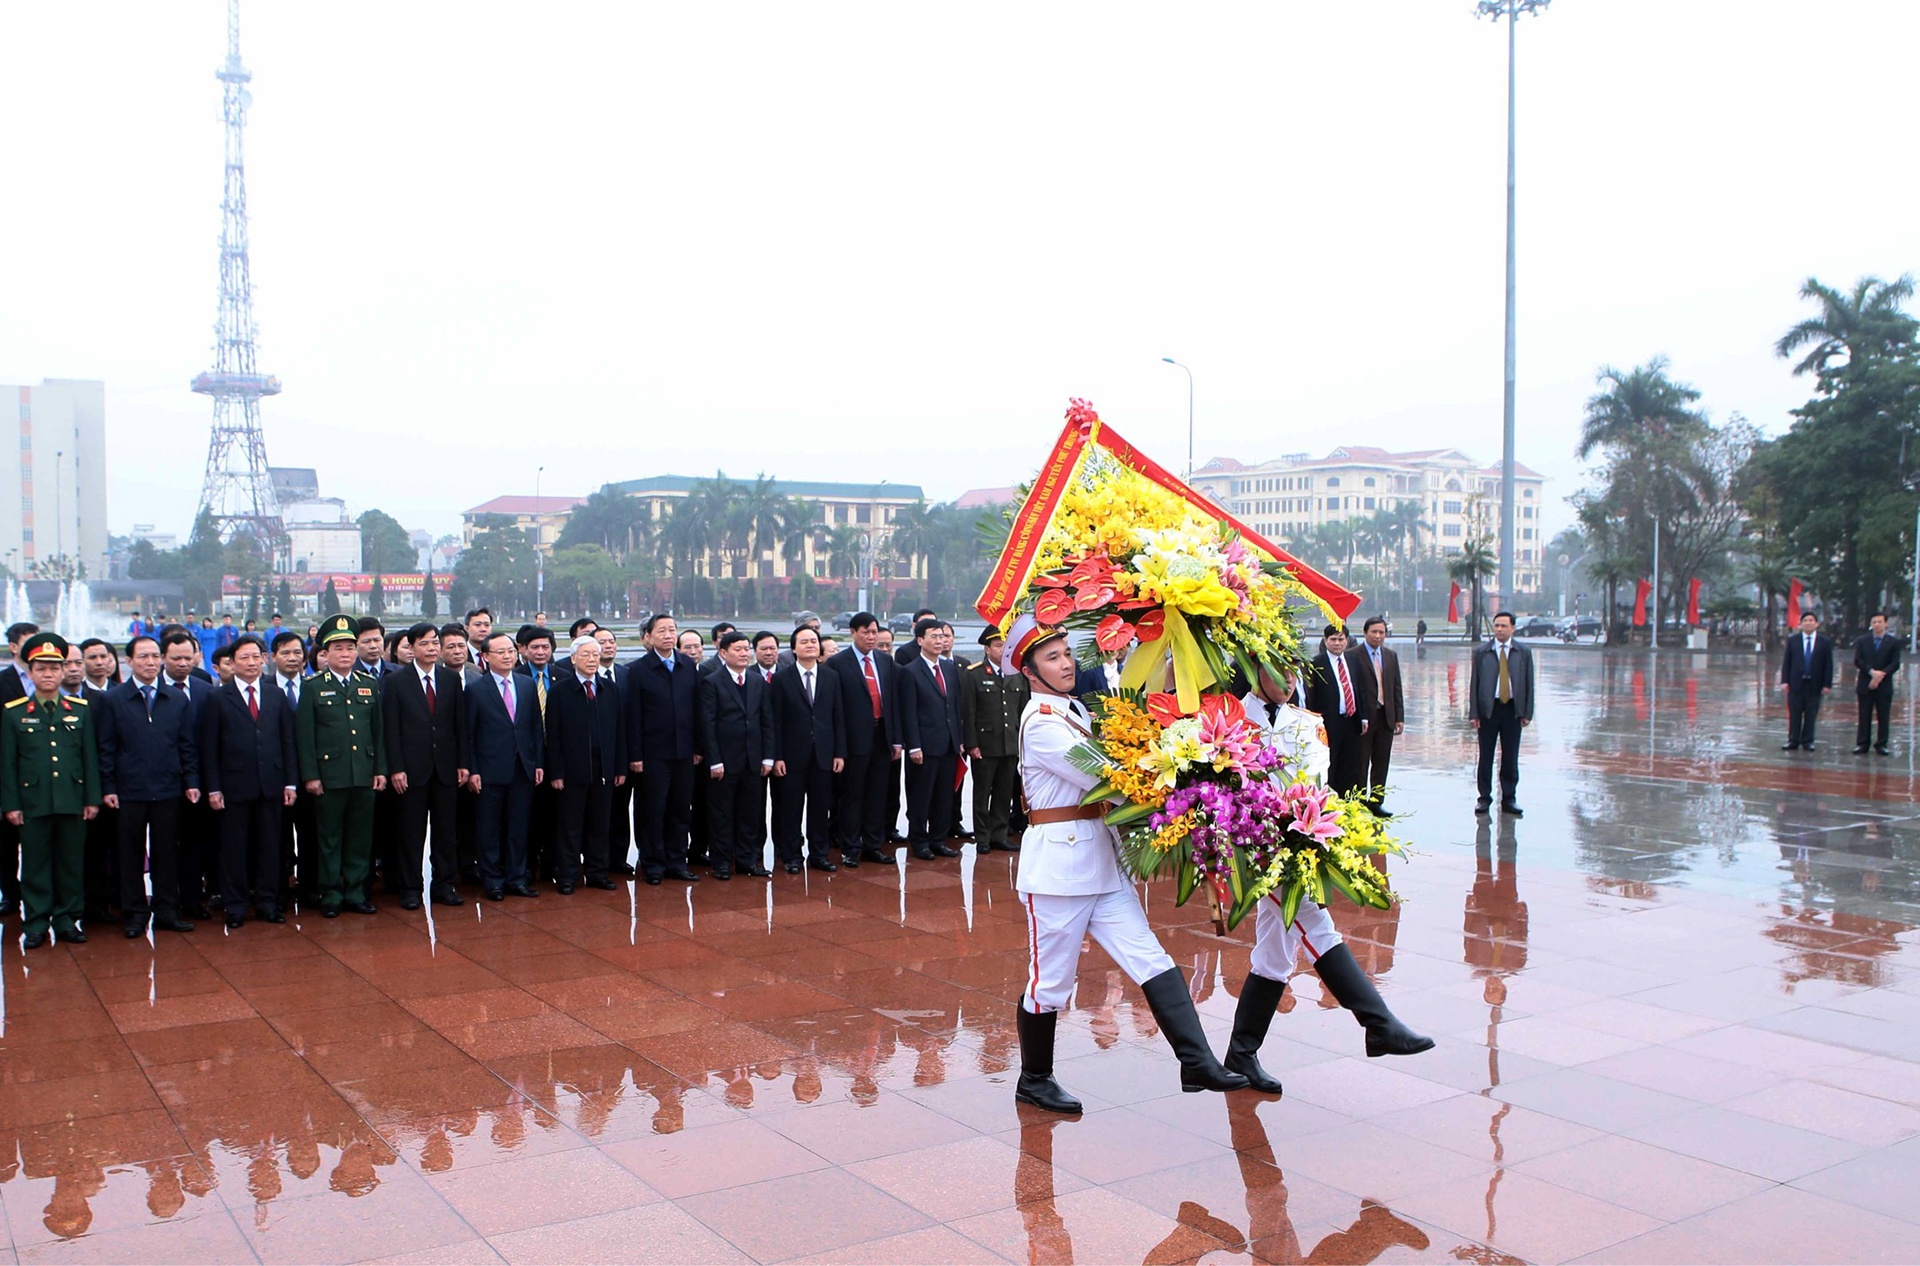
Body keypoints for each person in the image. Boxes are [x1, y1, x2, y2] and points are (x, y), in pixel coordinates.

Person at [1003, 615, 1246, 1113]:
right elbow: (1109, 778)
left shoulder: (1071, 710)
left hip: (1102, 862)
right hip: (1059, 872)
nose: (1067, 664)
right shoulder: (1042, 722)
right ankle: (1035, 1079)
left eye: (1067, 654)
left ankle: (1197, 1061)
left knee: (1150, 958)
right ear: (1029, 672)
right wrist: (1182, 783)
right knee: (1051, 983)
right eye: (1052, 658)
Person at [1224, 664, 1434, 1093]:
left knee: (1274, 955)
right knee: (1315, 927)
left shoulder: (1307, 723)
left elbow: (1316, 784)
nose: (1288, 681)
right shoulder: (1230, 720)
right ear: (1255, 671)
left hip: (1298, 840)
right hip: (1257, 846)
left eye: (1293, 672)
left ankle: (1242, 1053)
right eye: (1277, 671)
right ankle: (1378, 1023)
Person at [1, 633, 102, 947]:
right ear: (30, 673)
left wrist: (92, 799)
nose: (48, 674)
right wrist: (11, 804)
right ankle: (36, 922)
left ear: (63, 672)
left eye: (54, 668)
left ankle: (67, 920)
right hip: (33, 801)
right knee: (34, 865)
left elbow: (89, 758)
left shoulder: (79, 709)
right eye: (41, 668)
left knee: (71, 864)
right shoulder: (14, 712)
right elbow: (8, 763)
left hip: (72, 799)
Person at [97, 635, 200, 938]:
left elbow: (186, 745)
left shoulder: (176, 699)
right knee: (129, 855)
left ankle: (167, 910)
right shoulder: (113, 700)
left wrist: (191, 781)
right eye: (143, 657)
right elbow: (106, 748)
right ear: (128, 661)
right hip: (128, 791)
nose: (151, 662)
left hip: (168, 788)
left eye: (156, 656)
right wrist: (108, 786)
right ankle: (134, 913)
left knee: (167, 852)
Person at [196, 635, 298, 929]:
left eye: (256, 657)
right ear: (232, 662)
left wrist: (290, 783)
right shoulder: (218, 698)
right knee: (234, 849)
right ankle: (236, 906)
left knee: (270, 847)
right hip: (234, 787)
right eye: (244, 658)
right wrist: (214, 787)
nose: (252, 663)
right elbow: (210, 747)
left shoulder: (275, 695)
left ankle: (267, 903)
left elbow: (287, 741)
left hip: (271, 784)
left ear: (264, 659)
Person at [296, 614, 388, 917]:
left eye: (350, 647)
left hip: (363, 773)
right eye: (338, 648)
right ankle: (332, 893)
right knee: (330, 838)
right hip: (329, 776)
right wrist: (311, 775)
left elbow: (378, 732)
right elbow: (305, 736)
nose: (345, 653)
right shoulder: (313, 687)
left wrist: (380, 770)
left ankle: (356, 892)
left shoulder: (368, 684)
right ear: (326, 653)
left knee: (360, 838)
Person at [383, 622, 467, 909]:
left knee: (446, 831)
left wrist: (463, 763)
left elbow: (459, 725)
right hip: (411, 770)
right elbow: (391, 729)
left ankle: (444, 885)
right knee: (411, 832)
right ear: (411, 648)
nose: (431, 648)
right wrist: (396, 768)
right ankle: (410, 887)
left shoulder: (450, 679)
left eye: (435, 643)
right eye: (424, 643)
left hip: (445, 768)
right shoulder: (396, 682)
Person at [466, 631, 543, 900]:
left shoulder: (526, 684)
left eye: (511, 651)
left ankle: (516, 878)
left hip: (523, 767)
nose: (508, 656)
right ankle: (493, 881)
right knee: (489, 829)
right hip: (489, 770)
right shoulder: (476, 689)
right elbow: (469, 735)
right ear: (486, 657)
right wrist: (473, 769)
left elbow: (535, 727)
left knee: (518, 827)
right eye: (501, 652)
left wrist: (537, 762)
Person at [624, 613, 701, 885]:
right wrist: (635, 755)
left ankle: (677, 862)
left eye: (672, 630)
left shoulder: (687, 665)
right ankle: (653, 864)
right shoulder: (638, 670)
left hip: (684, 751)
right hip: (652, 753)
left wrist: (698, 747)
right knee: (653, 811)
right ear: (648, 636)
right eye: (662, 631)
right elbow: (633, 716)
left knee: (680, 810)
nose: (668, 635)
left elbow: (697, 709)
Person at [544, 634, 624, 893]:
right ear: (573, 658)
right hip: (572, 769)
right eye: (586, 655)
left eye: (595, 655)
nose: (592, 660)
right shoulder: (560, 691)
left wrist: (619, 767)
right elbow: (553, 735)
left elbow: (619, 731)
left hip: (604, 767)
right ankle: (568, 875)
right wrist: (556, 772)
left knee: (600, 824)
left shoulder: (610, 689)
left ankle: (597, 873)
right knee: (570, 825)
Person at [697, 631, 777, 880]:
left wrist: (768, 757)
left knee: (750, 813)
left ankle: (747, 861)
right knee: (721, 814)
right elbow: (708, 725)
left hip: (753, 760)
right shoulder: (712, 682)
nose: (744, 654)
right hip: (724, 761)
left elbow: (766, 720)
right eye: (738, 649)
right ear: (723, 653)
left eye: (746, 649)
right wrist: (715, 760)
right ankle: (721, 863)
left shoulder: (756, 680)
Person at [826, 613, 901, 868]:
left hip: (882, 737)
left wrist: (896, 740)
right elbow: (835, 708)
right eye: (866, 632)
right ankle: (850, 847)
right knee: (852, 796)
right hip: (853, 740)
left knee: (877, 794)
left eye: (874, 632)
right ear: (853, 632)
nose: (871, 637)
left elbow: (892, 701)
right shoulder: (838, 663)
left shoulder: (885, 660)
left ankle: (873, 845)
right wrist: (839, 747)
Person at [770, 625, 844, 873]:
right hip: (792, 756)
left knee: (820, 807)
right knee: (791, 808)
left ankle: (819, 854)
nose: (810, 645)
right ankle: (792, 856)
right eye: (804, 642)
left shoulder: (831, 677)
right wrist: (777, 756)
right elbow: (776, 721)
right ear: (793, 649)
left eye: (814, 641)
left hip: (823, 754)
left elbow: (838, 716)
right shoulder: (782, 678)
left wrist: (839, 752)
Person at [898, 617, 963, 861]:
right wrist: (913, 745)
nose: (939, 641)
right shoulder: (910, 671)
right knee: (921, 796)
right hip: (924, 746)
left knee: (944, 796)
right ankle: (919, 841)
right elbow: (908, 712)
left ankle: (938, 839)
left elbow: (954, 707)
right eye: (933, 636)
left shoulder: (949, 668)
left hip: (948, 744)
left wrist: (959, 739)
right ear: (920, 640)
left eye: (942, 636)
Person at [961, 625, 1026, 854]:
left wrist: (1021, 742)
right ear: (987, 649)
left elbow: (1022, 711)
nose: (1003, 650)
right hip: (985, 745)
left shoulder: (1016, 674)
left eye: (1006, 645)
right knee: (982, 793)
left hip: (1009, 743)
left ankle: (999, 834)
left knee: (1004, 792)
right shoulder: (974, 674)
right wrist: (972, 744)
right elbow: (968, 712)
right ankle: (982, 836)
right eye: (998, 645)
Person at [1469, 611, 1534, 816]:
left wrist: (1527, 712)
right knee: (1485, 756)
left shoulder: (1523, 652)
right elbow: (1474, 683)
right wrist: (1474, 713)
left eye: (1504, 626)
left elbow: (1529, 683)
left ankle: (1509, 798)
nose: (1499, 629)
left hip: (1512, 710)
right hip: (1488, 710)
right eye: (1496, 625)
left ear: (1513, 628)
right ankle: (1484, 798)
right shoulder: (1482, 652)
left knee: (1510, 756)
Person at [269, 630, 316, 905]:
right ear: (272, 656)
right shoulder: (264, 688)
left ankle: (310, 887)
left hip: (309, 774)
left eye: (297, 652)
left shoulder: (314, 686)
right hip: (275, 776)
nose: (292, 658)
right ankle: (280, 888)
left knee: (310, 833)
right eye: (285, 652)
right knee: (277, 835)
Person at [1306, 624, 1373, 797]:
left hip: (1352, 720)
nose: (1337, 643)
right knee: (1330, 762)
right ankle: (1328, 798)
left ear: (1347, 640)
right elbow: (1311, 695)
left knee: (1350, 764)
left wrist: (1364, 717)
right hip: (1329, 722)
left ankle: (1347, 800)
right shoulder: (1317, 663)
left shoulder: (1353, 660)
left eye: (1341, 639)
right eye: (1333, 639)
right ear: (1325, 640)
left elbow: (1360, 689)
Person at [593, 627, 633, 877]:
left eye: (611, 641)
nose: (608, 646)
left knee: (620, 810)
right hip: (594, 758)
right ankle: (597, 860)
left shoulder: (627, 674)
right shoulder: (581, 677)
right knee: (597, 813)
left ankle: (619, 858)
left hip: (622, 755)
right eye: (602, 642)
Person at [1354, 617, 1405, 816]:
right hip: (1364, 718)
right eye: (1374, 632)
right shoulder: (1353, 655)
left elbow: (1396, 687)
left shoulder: (1390, 656)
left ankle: (1376, 802)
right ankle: (1358, 802)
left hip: (1386, 716)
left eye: (1381, 632)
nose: (1377, 636)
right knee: (1360, 761)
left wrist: (1399, 716)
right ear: (1365, 633)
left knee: (1381, 761)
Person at [1780, 610, 1834, 752]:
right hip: (1796, 683)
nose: (1808, 623)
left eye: (1811, 621)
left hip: (1815, 684)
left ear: (1816, 624)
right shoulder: (1793, 640)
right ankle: (1793, 740)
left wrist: (1827, 684)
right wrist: (1784, 681)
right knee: (1795, 713)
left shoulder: (1824, 642)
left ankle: (1808, 741)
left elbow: (1828, 664)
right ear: (1801, 624)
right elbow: (1787, 662)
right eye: (1805, 621)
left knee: (1811, 714)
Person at [1853, 613, 1900, 756]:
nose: (1877, 625)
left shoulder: (1893, 642)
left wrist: (1880, 675)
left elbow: (1895, 663)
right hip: (1865, 683)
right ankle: (1862, 743)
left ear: (1886, 624)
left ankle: (1881, 744)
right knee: (1864, 715)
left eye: (1880, 622)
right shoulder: (1862, 641)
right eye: (1874, 622)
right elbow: (1858, 660)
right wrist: (1871, 672)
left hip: (1884, 684)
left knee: (1883, 715)